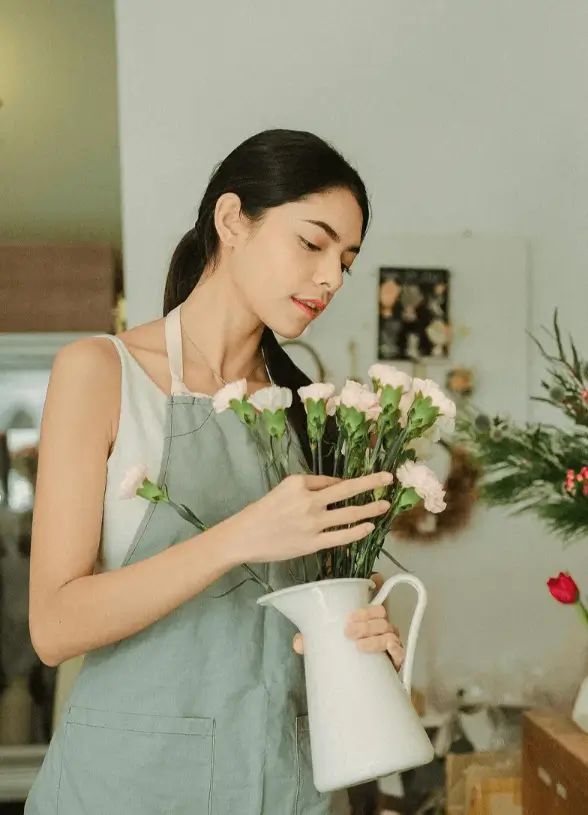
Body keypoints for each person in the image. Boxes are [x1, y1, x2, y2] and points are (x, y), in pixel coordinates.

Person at [25, 129, 405, 815]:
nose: (332, 278)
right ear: (232, 220)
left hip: (286, 784)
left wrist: (361, 639)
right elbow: (53, 626)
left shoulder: (313, 414)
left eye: (347, 260)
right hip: (127, 787)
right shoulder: (101, 373)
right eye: (312, 243)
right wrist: (240, 535)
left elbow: (308, 629)